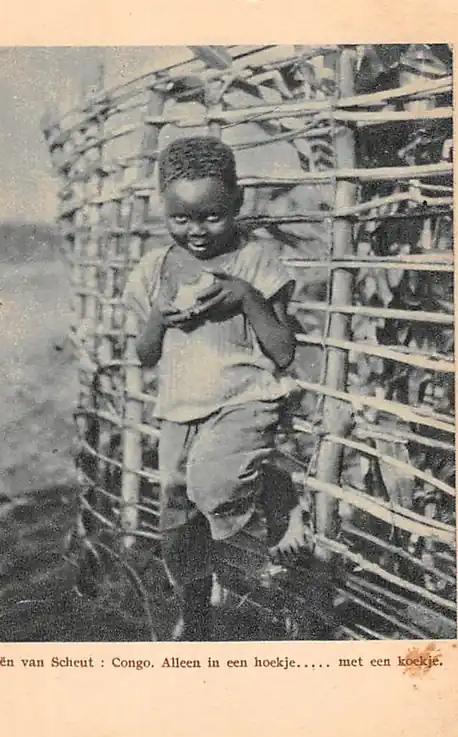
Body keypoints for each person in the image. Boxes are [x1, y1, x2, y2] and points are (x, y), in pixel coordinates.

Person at [122, 135, 299, 640]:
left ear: (237, 203)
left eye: (212, 216)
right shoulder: (155, 270)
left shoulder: (256, 263)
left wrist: (246, 298)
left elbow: (284, 352)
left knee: (215, 486)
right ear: (164, 208)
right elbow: (145, 354)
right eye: (181, 218)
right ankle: (196, 611)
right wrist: (159, 315)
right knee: (177, 522)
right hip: (179, 409)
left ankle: (271, 506)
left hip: (244, 399)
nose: (196, 231)